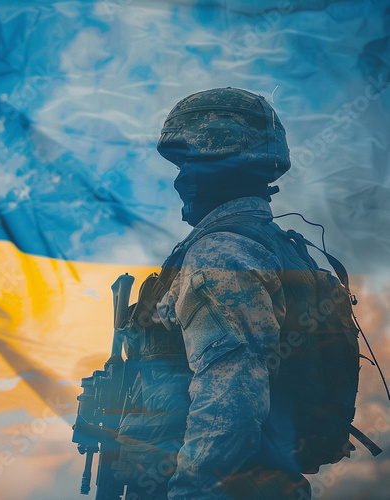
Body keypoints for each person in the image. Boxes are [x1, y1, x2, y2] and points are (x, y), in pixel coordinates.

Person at [117, 87, 312, 500]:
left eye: (191, 162)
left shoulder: (222, 253)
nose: (179, 179)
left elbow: (231, 401)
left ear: (227, 165)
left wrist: (191, 493)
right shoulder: (266, 244)